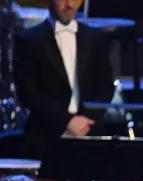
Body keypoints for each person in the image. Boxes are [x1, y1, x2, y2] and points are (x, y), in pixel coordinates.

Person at [12, 0, 115, 157]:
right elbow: (28, 92)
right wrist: (67, 122)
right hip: (45, 135)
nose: (69, 4)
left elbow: (106, 86)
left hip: (90, 131)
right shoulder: (28, 40)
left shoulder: (95, 38)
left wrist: (85, 121)